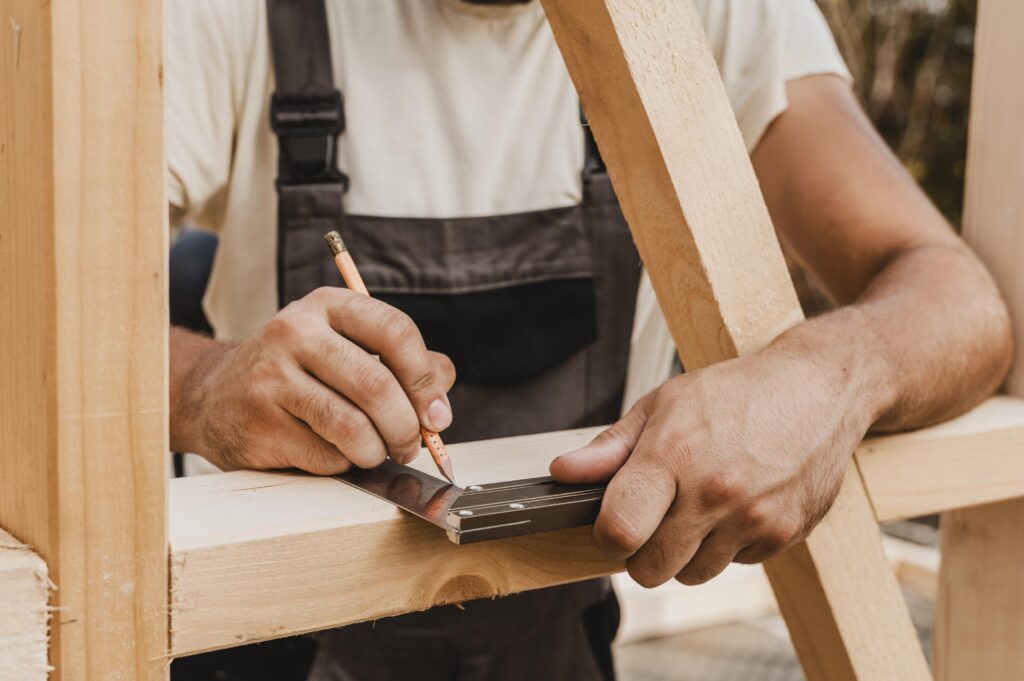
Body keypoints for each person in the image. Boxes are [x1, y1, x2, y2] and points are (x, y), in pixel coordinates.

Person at [166, 1, 1013, 680]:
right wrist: (203, 383)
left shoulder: (708, 17)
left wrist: (823, 375)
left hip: (560, 634)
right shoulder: (223, 14)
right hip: (259, 638)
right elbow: (48, 320)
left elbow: (963, 304)